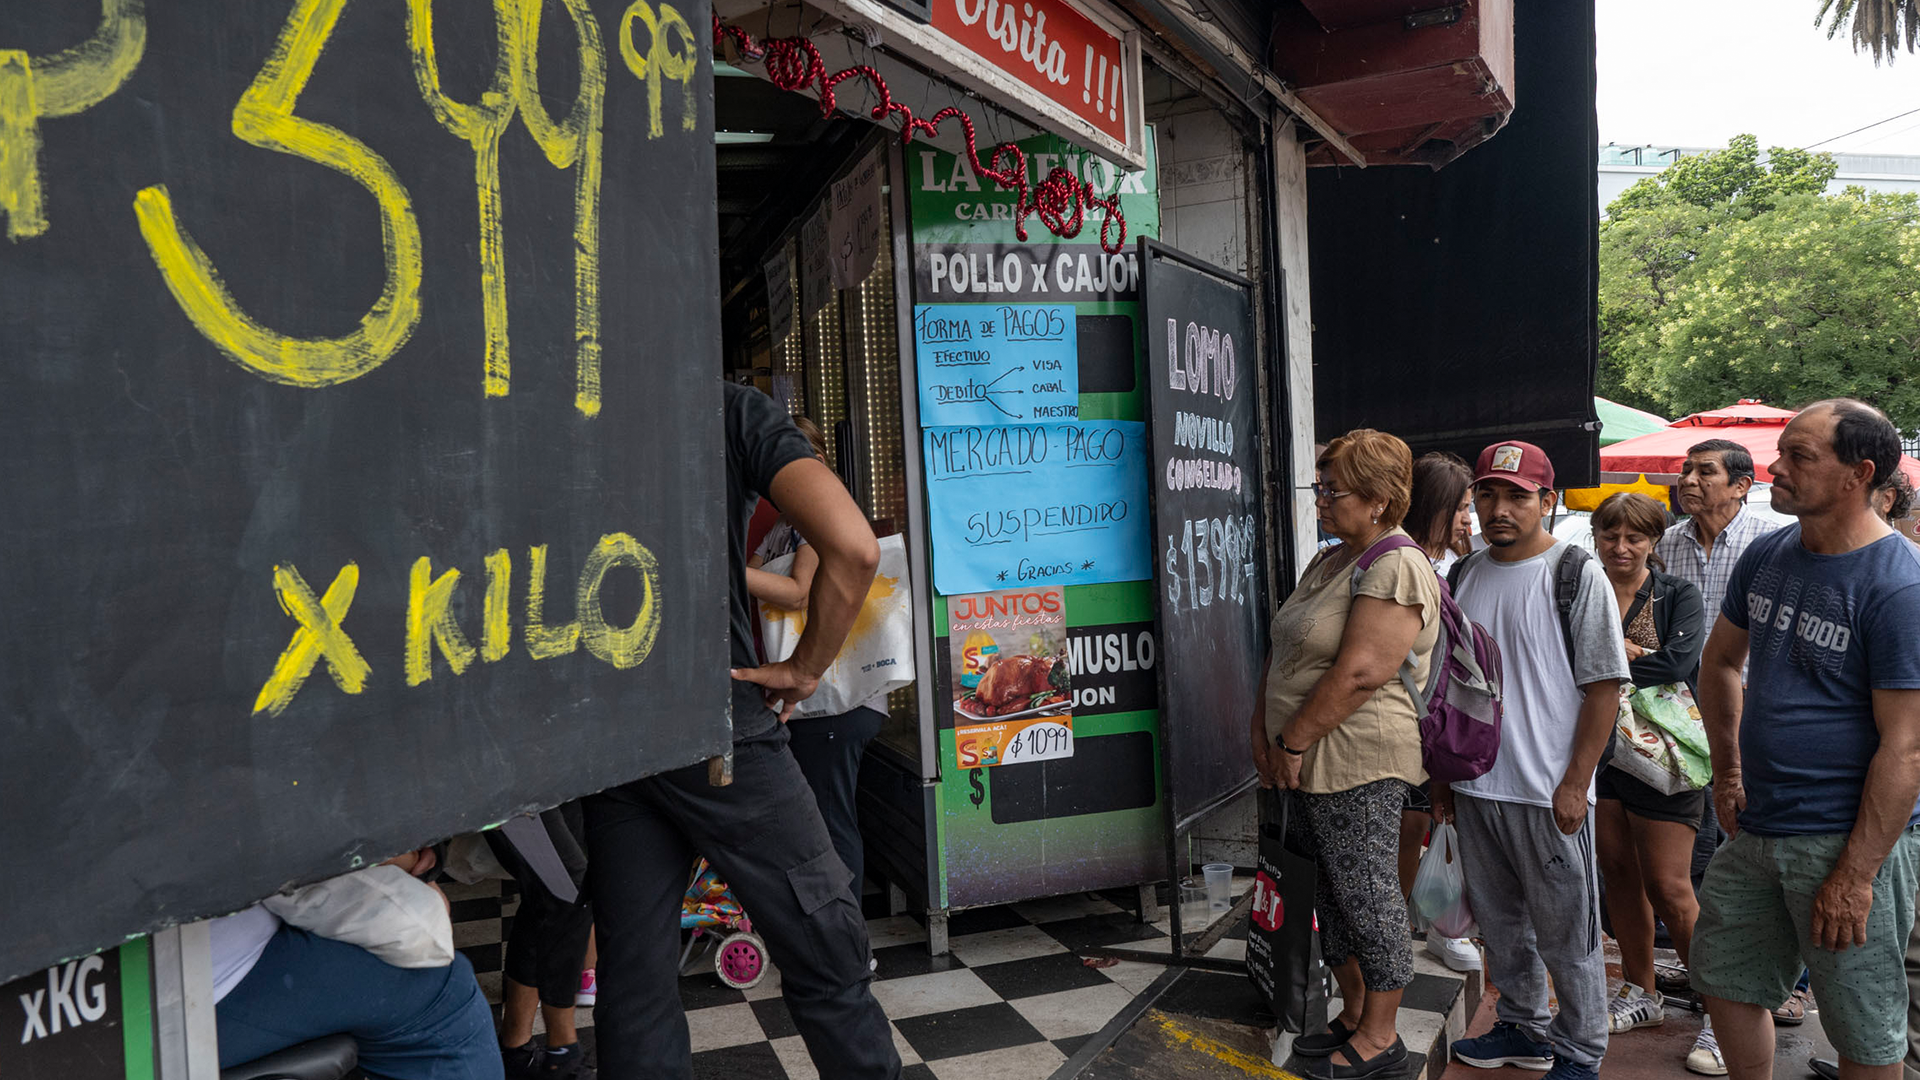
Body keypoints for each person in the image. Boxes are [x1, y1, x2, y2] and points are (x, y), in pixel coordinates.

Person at [584, 383, 898, 1080]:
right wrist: (805, 667)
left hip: (604, 737)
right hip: (715, 722)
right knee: (830, 951)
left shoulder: (548, 408)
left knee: (635, 985)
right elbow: (854, 548)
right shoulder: (724, 407)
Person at [1691, 400, 1920, 1080]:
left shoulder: (1899, 584)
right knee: (1726, 979)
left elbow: (1906, 747)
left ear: (1860, 473)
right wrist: (1727, 774)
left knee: (1863, 1026)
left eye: (1800, 456)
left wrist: (1855, 875)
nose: (1775, 467)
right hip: (1758, 823)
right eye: (1781, 452)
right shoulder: (1770, 553)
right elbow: (1720, 662)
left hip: (1844, 837)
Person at [1253, 429, 1440, 1080]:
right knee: (1326, 892)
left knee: (1366, 893)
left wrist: (1292, 740)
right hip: (1300, 756)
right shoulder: (1329, 560)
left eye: (1333, 490)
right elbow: (1284, 651)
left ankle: (1383, 1037)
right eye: (1319, 487)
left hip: (1357, 756)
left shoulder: (1397, 563)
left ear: (1382, 500)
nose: (1320, 500)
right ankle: (1356, 1011)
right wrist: (1265, 733)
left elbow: (1363, 670)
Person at [1442, 441, 1629, 1080]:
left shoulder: (1574, 572)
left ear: (1547, 501)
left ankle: (1581, 1050)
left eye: (1518, 496)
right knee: (1500, 925)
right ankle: (1523, 1026)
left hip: (1549, 791)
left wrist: (1577, 783)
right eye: (1488, 495)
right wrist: (1446, 781)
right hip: (1477, 785)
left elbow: (1605, 686)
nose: (1500, 509)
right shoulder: (1462, 575)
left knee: (1569, 936)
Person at [1586, 493, 1720, 1074]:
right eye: (1610, 535)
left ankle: (1721, 1012)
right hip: (1598, 750)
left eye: (1633, 538)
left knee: (1670, 888)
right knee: (1618, 873)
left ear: (1653, 541)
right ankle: (1643, 992)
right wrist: (1631, 652)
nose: (1620, 548)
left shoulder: (1676, 594)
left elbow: (1675, 666)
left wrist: (1604, 658)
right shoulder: (1583, 588)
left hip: (1665, 757)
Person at [746, 415, 886, 899]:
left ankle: (847, 937)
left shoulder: (812, 528)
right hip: (814, 696)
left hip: (833, 697)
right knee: (824, 815)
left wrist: (719, 572)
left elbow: (797, 593)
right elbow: (755, 572)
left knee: (829, 819)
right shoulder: (784, 527)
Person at [211, 849, 502, 1080]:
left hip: (212, 945)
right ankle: (526, 1051)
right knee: (444, 992)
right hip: (200, 979)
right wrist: (407, 859)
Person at [1397, 450, 1481, 974]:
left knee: (1427, 823)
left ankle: (1432, 927)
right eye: (1462, 508)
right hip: (1406, 724)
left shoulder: (1450, 567)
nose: (1469, 520)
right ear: (1434, 508)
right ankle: (1394, 941)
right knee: (1408, 828)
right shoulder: (1410, 565)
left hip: (1432, 726)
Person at [489, 806, 594, 1080]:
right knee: (570, 888)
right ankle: (562, 1054)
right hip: (509, 779)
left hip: (554, 775)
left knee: (543, 895)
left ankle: (516, 1051)